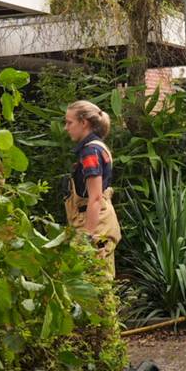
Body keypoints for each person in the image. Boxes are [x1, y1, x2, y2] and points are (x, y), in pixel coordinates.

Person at [63, 101, 122, 278]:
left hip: (94, 226)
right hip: (100, 221)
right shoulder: (97, 147)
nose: (66, 128)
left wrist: (87, 237)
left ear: (84, 123)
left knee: (95, 285)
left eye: (69, 122)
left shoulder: (90, 152)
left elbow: (95, 198)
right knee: (101, 283)